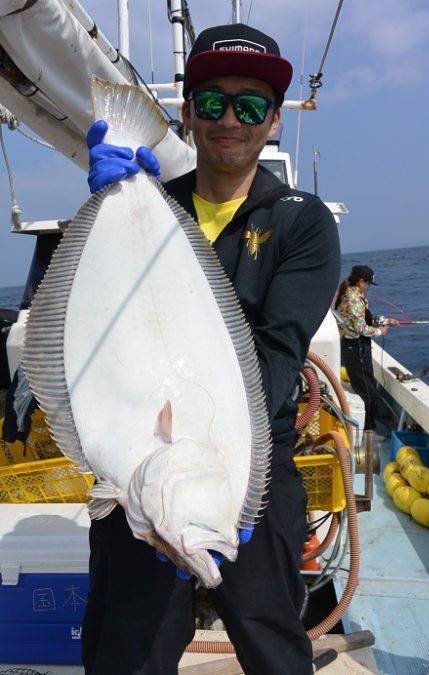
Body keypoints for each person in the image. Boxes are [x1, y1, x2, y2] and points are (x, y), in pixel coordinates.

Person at [82, 23, 340, 675]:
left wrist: (229, 480)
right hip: (143, 458)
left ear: (274, 119)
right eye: (213, 100)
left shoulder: (301, 221)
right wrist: (107, 209)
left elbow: (279, 353)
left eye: (251, 103)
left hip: (255, 460)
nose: (231, 117)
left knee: (273, 642)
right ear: (187, 112)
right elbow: (105, 329)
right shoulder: (148, 206)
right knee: (127, 651)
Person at [335, 265, 398, 431]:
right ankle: (368, 430)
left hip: (360, 347)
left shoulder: (357, 295)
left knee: (368, 387)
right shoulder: (354, 299)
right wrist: (380, 331)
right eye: (368, 283)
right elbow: (361, 328)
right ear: (361, 281)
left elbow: (364, 318)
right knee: (369, 394)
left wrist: (386, 321)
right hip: (355, 349)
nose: (369, 286)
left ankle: (368, 427)